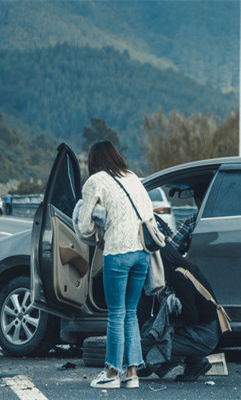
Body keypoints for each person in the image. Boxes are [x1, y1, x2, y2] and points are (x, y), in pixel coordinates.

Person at [77, 141, 153, 389]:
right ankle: (132, 374)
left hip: (118, 253)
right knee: (131, 313)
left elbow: (84, 226)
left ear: (94, 161)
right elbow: (148, 213)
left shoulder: (95, 181)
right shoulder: (133, 177)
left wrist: (100, 230)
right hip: (142, 253)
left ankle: (111, 373)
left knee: (116, 314)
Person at [138, 197, 221, 382]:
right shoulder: (185, 268)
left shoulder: (177, 277)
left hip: (206, 335)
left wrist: (166, 324)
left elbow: (191, 317)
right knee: (158, 330)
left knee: (160, 341)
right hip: (209, 329)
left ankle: (195, 361)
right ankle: (195, 364)